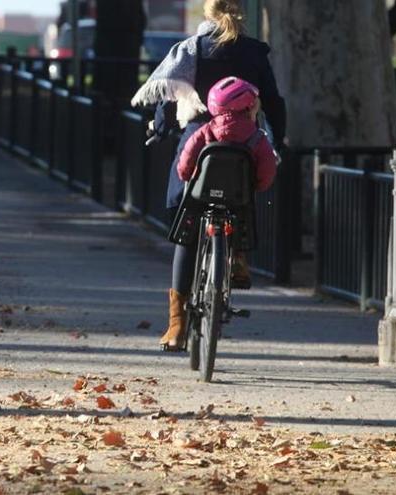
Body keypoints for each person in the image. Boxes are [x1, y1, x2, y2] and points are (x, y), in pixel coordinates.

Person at [130, 0, 286, 351]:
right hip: (244, 143)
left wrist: (161, 127)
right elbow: (275, 102)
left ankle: (176, 324)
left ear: (207, 12)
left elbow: (169, 96)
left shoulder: (191, 49)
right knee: (245, 195)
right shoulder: (254, 52)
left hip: (202, 141)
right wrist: (278, 139)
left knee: (187, 225)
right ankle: (240, 256)